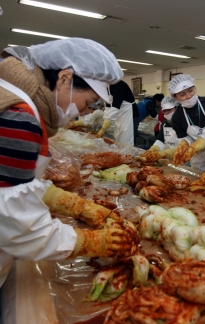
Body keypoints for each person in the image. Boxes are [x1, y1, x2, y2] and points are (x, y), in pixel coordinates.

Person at [0, 38, 131, 289]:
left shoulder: (13, 99)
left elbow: (11, 185)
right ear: (64, 79)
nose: (84, 113)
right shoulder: (17, 117)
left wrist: (72, 204)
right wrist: (90, 242)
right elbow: (19, 227)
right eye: (89, 103)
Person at [139, 74, 205, 172]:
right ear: (175, 97)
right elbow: (185, 138)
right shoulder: (177, 116)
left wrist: (192, 149)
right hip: (198, 160)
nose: (189, 96)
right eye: (182, 94)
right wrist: (183, 144)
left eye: (191, 91)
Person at [98, 80, 137, 145]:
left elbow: (116, 106)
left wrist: (104, 128)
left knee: (126, 141)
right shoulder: (107, 87)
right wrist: (105, 120)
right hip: (120, 115)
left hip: (129, 115)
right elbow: (108, 107)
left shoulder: (118, 85)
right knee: (118, 137)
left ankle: (127, 154)